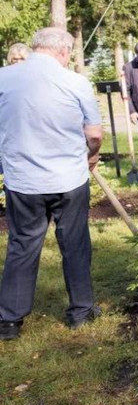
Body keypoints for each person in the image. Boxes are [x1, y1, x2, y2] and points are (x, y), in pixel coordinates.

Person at [0, 28, 103, 340]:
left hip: (22, 180)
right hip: (68, 178)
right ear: (63, 52)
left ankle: (9, 322)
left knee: (22, 245)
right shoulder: (75, 81)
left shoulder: (4, 77)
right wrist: (93, 155)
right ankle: (81, 312)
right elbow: (95, 134)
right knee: (75, 243)